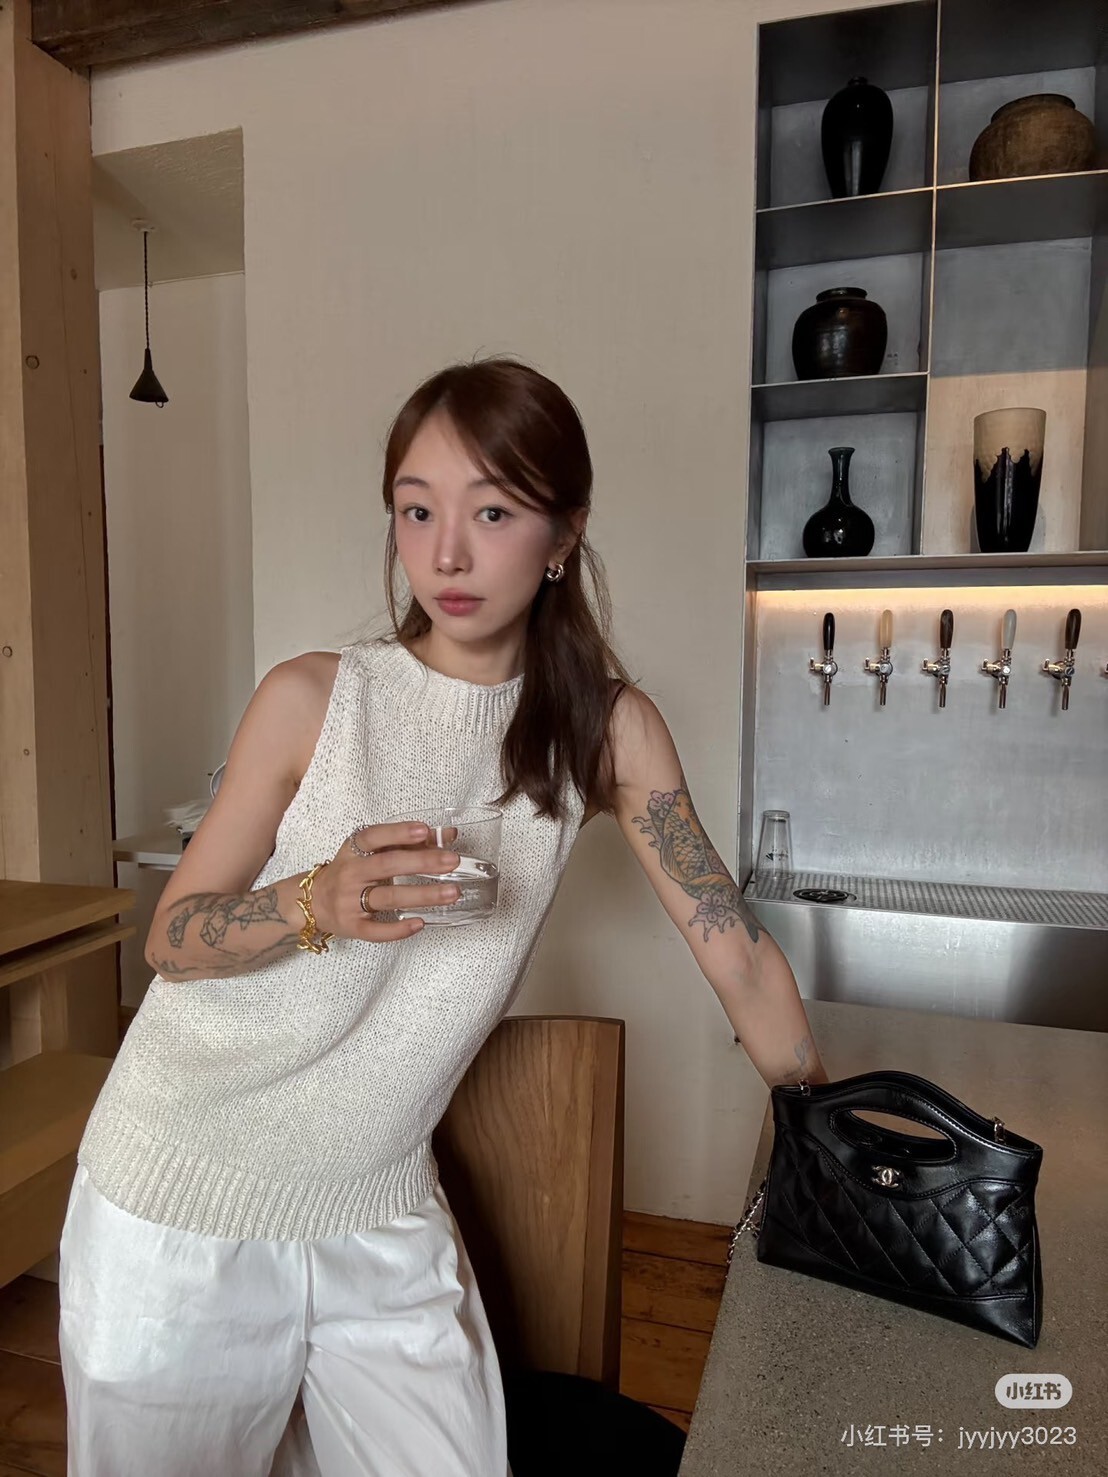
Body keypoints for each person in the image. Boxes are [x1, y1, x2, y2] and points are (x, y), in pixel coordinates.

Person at [59, 358, 827, 1477]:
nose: (448, 554)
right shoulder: (313, 699)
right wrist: (312, 901)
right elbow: (171, 939)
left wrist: (830, 1138)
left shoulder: (607, 734)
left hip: (377, 1205)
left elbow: (736, 954)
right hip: (182, 1188)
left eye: (494, 511)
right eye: (417, 510)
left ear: (564, 532)